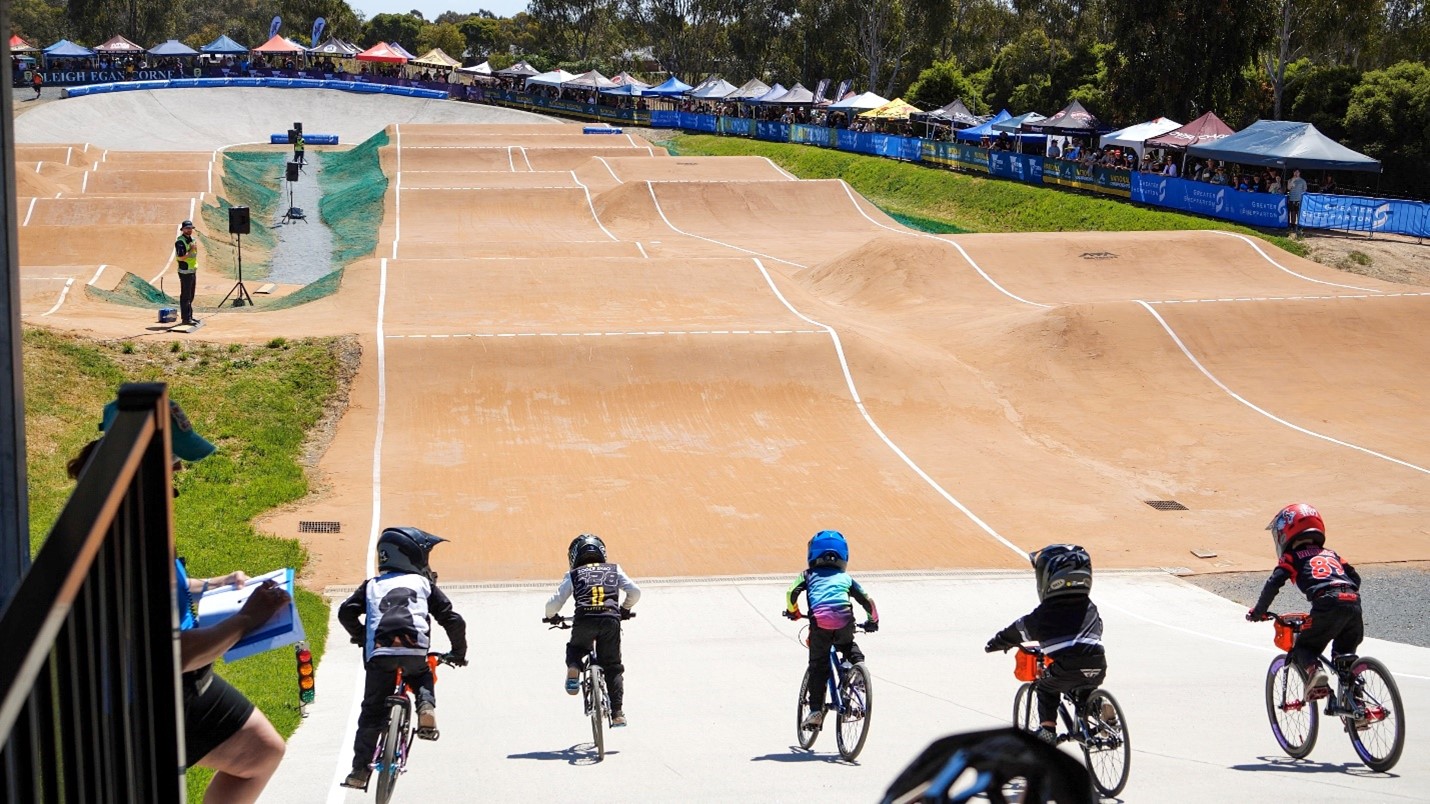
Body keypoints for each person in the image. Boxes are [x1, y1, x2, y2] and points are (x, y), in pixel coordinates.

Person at [73, 399, 291, 804]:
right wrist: (247, 619)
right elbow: (169, 655)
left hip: (167, 682)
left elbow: (162, 589)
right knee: (259, 753)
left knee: (263, 751)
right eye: (174, 459)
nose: (180, 470)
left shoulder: (115, 510)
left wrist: (213, 583)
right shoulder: (130, 538)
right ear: (141, 463)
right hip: (146, 696)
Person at [338, 526, 468, 789]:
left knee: (371, 713)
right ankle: (426, 707)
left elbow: (346, 613)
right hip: (414, 652)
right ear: (412, 557)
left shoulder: (372, 585)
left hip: (380, 656)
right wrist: (458, 652)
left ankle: (359, 771)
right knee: (421, 674)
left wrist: (362, 635)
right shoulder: (423, 584)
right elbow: (452, 620)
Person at [984, 545, 1106, 745]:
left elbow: (1018, 630)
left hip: (1067, 666)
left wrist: (997, 642)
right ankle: (1101, 714)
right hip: (1098, 662)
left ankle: (1047, 730)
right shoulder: (1090, 607)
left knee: (1046, 687)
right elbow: (1098, 629)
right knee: (1084, 687)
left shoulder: (1044, 614)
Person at [1246, 504, 1362, 700]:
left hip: (1326, 603)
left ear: (1286, 531)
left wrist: (1259, 611)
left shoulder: (1292, 557)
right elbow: (1355, 578)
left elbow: (1273, 583)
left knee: (1303, 648)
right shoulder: (1332, 554)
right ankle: (1357, 704)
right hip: (1353, 602)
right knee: (1344, 659)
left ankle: (1315, 671)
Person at [783, 530, 879, 730]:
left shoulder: (807, 575)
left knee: (818, 665)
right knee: (847, 644)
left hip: (821, 624)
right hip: (845, 621)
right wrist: (872, 621)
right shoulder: (846, 578)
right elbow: (866, 600)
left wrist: (794, 612)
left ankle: (816, 710)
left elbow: (792, 592)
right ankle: (858, 669)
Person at [543, 534, 641, 726]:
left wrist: (552, 617)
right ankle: (617, 713)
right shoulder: (614, 569)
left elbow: (553, 604)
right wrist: (625, 609)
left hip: (584, 619)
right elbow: (635, 592)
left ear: (574, 556)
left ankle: (574, 667)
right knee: (612, 667)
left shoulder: (574, 574)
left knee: (576, 649)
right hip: (610, 620)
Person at [174, 220, 199, 326]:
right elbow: (181, 257)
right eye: (187, 228)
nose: (189, 230)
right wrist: (191, 250)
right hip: (185, 272)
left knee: (191, 295)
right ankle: (186, 318)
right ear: (183, 230)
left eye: (190, 228)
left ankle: (190, 316)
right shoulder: (180, 242)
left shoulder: (192, 239)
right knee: (185, 296)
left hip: (192, 271)